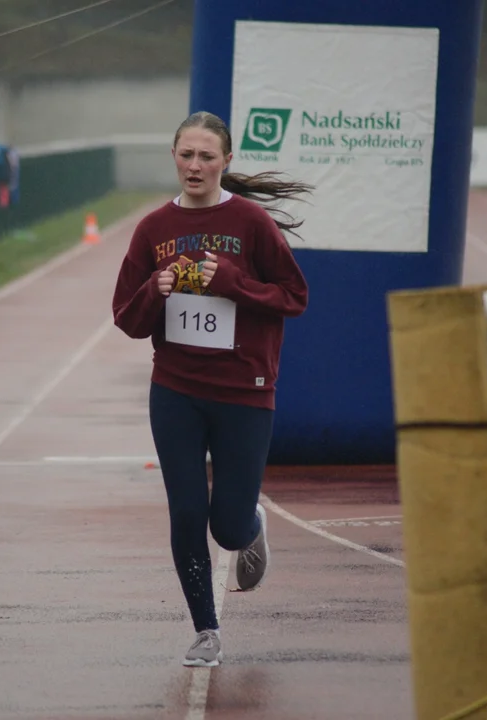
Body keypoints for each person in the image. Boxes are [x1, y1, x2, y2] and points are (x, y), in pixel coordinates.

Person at [111, 111, 311, 668]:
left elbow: (295, 297)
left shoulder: (249, 222)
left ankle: (251, 525)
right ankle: (205, 629)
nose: (194, 165)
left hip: (244, 391)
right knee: (185, 512)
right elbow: (127, 317)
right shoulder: (152, 229)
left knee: (226, 526)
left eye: (206, 156)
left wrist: (233, 283)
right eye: (185, 154)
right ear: (173, 156)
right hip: (175, 389)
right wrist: (156, 288)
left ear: (226, 161)